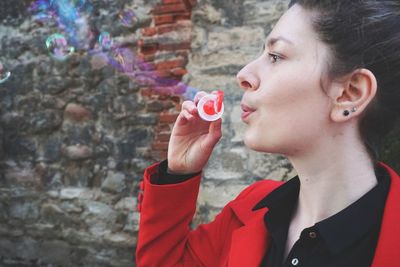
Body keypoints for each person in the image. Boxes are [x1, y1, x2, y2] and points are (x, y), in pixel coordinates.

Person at [135, 0, 400, 266]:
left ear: (350, 93)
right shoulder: (250, 210)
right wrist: (178, 175)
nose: (243, 75)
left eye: (276, 56)